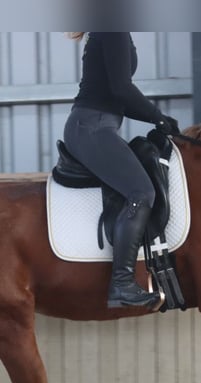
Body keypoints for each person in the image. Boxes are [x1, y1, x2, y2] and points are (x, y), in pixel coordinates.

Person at [63, 32, 180, 309]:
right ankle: (122, 284)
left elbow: (118, 97)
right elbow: (121, 89)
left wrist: (159, 119)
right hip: (91, 127)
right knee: (141, 192)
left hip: (97, 124)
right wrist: (156, 116)